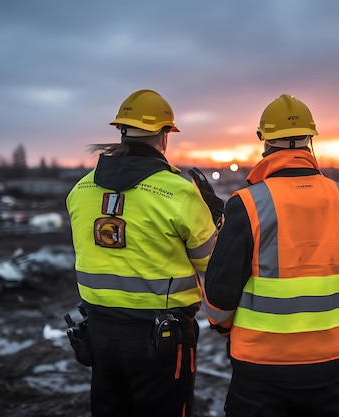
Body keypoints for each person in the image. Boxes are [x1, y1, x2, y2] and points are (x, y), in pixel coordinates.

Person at [201, 94, 339, 417]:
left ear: (263, 140)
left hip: (260, 371)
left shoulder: (247, 204)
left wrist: (228, 329)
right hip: (331, 368)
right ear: (311, 140)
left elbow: (217, 304)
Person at [66, 89, 221, 417]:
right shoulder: (179, 192)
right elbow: (211, 261)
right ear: (164, 135)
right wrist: (214, 219)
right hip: (161, 337)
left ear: (121, 131)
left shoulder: (80, 190)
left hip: (100, 333)